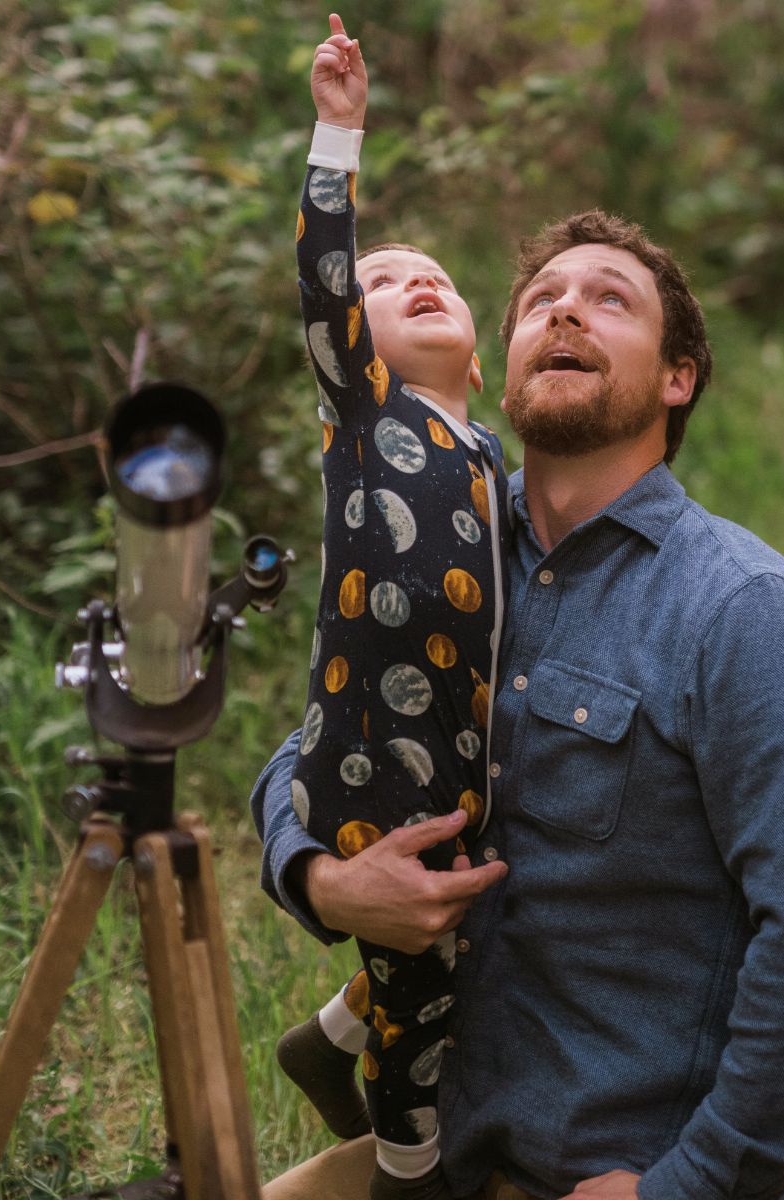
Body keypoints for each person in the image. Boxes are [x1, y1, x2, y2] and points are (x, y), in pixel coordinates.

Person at [251, 185, 784, 1200]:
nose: (565, 310)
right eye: (541, 298)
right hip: (439, 1155)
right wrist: (326, 883)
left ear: (678, 378)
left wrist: (690, 1187)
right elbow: (314, 746)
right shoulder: (438, 547)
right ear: (491, 371)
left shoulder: (746, 614)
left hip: (608, 1174)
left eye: (611, 300)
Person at [278, 16, 510, 1200]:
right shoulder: (367, 420)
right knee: (425, 1007)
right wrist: (340, 130)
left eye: (438, 274)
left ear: (483, 361)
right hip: (373, 771)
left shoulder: (490, 460)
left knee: (454, 948)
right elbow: (327, 269)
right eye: (384, 278)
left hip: (455, 767)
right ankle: (409, 1168)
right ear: (349, 343)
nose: (414, 276)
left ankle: (325, 1035)